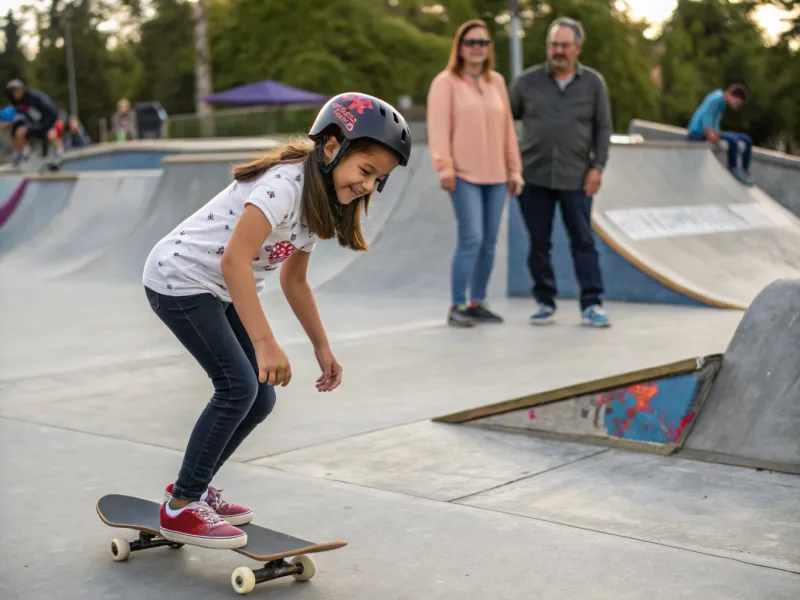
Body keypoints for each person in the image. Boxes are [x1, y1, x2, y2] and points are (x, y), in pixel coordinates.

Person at [142, 92, 411, 549]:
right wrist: (264, 343)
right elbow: (234, 261)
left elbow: (296, 281)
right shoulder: (284, 185)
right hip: (179, 279)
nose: (368, 186)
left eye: (378, 180)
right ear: (332, 146)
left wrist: (321, 347)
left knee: (260, 400)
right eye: (365, 171)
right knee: (238, 387)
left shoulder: (321, 201)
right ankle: (182, 507)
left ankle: (192, 486)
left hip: (219, 288)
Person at [508, 17, 612, 328]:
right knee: (538, 243)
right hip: (534, 176)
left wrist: (598, 166)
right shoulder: (525, 83)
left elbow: (604, 127)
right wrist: (510, 162)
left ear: (577, 48)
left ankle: (592, 303)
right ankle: (544, 301)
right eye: (554, 44)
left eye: (565, 45)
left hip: (577, 177)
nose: (558, 50)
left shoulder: (594, 83)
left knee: (583, 240)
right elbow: (501, 122)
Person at [427, 19, 523, 327]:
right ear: (460, 47)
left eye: (483, 42)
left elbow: (508, 129)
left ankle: (477, 301)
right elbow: (439, 129)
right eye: (471, 42)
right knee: (472, 237)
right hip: (464, 175)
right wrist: (444, 167)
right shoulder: (446, 83)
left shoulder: (496, 82)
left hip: (497, 176)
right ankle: (457, 305)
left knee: (490, 242)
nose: (477, 48)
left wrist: (515, 170)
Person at [686, 84, 753, 184]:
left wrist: (717, 133)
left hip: (708, 132)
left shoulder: (722, 101)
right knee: (732, 141)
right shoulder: (716, 100)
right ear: (733, 96)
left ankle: (745, 170)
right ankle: (734, 169)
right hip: (697, 133)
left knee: (746, 139)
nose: (737, 106)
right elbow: (707, 120)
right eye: (737, 102)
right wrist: (712, 137)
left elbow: (715, 121)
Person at [4, 79, 63, 165]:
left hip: (48, 122)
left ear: (22, 89)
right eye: (13, 92)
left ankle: (26, 154)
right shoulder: (18, 103)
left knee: (21, 132)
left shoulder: (34, 97)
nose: (15, 94)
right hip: (36, 124)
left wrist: (52, 125)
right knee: (13, 130)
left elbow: (51, 110)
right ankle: (18, 154)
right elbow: (16, 118)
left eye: (17, 91)